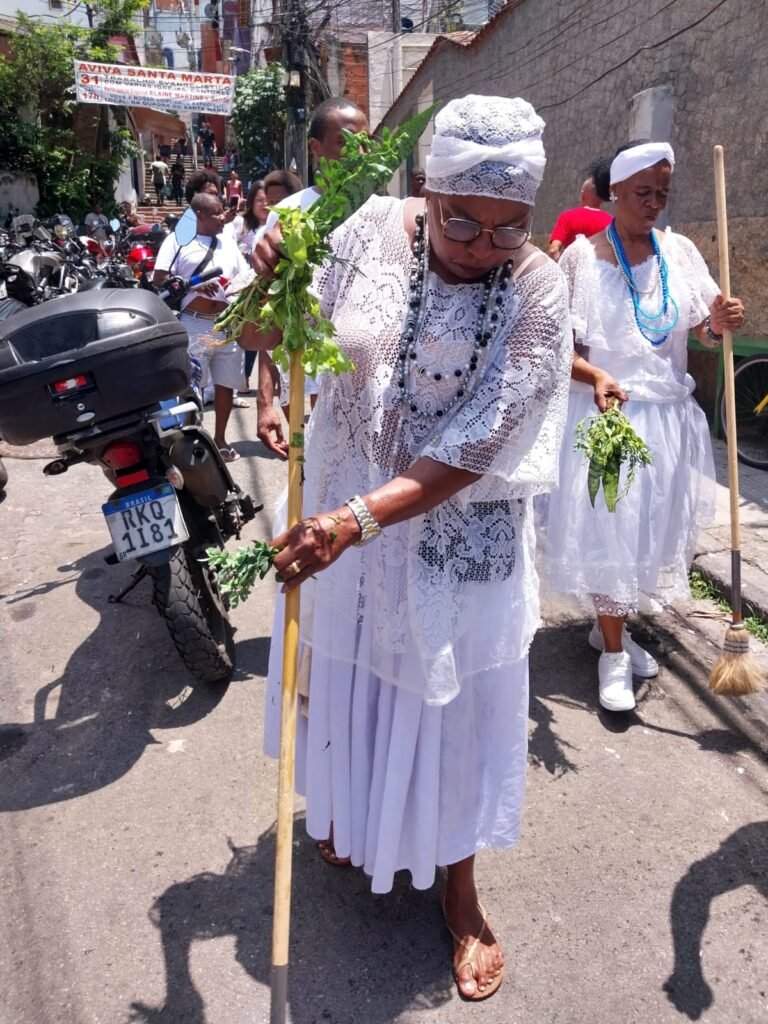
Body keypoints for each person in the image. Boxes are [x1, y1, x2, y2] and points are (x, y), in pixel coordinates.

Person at [252, 95, 572, 1000]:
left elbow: (482, 438)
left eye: (510, 229)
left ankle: (461, 894)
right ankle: (354, 816)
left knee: (456, 705)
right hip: (341, 523)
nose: (482, 246)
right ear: (426, 190)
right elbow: (267, 338)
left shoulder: (541, 288)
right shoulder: (359, 231)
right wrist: (269, 276)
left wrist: (353, 520)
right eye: (461, 220)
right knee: (350, 676)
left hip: (453, 539)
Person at [544, 140, 745, 712]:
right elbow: (557, 349)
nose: (654, 203)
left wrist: (720, 321)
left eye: (662, 193)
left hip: (671, 421)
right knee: (613, 532)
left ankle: (611, 629)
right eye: (642, 193)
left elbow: (703, 328)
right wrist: (597, 375)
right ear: (613, 195)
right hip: (612, 417)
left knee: (646, 536)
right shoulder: (581, 260)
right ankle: (611, 655)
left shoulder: (678, 252)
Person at [255, 97, 369, 454]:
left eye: (365, 142)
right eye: (346, 141)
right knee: (317, 467)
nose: (359, 152)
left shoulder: (386, 213)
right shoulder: (289, 213)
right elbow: (272, 309)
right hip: (309, 369)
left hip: (368, 375)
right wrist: (264, 401)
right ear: (316, 148)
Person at [152, 192, 250, 461]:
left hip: (226, 324)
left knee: (225, 384)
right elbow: (159, 276)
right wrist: (193, 283)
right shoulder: (178, 241)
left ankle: (219, 439)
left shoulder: (228, 242)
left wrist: (234, 288)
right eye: (217, 213)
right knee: (191, 386)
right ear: (200, 215)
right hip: (194, 325)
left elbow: (244, 275)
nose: (223, 217)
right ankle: (193, 440)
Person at [236, 180, 270, 391]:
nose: (264, 204)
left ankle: (274, 381)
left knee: (272, 334)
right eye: (259, 200)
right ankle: (244, 379)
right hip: (247, 288)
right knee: (250, 333)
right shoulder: (241, 224)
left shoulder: (276, 223)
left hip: (270, 286)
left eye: (268, 200)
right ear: (251, 202)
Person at [547, 162, 613, 261]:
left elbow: (553, 250)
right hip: (600, 273)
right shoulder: (611, 221)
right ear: (602, 198)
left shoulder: (568, 217)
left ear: (583, 195)